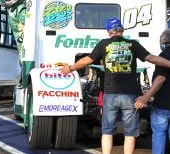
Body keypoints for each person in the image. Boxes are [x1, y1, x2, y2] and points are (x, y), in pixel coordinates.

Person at [61, 18, 170, 154]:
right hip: (131, 96)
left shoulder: (103, 44)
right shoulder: (133, 44)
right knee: (129, 134)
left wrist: (70, 68)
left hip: (111, 95)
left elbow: (86, 60)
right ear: (122, 30)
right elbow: (151, 58)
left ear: (108, 32)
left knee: (107, 131)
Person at [135, 29, 170, 154]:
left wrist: (146, 96)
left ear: (165, 40)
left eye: (161, 38)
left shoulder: (165, 55)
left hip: (163, 105)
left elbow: (160, 78)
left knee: (159, 134)